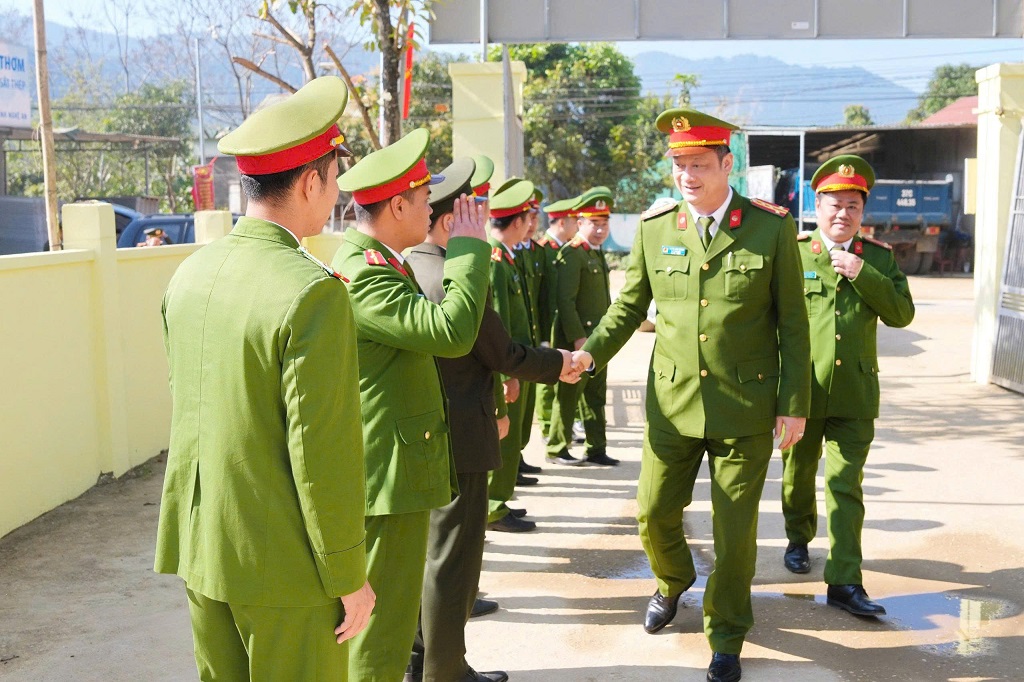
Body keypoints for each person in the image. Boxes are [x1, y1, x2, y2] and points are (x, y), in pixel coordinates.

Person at [574, 107, 811, 682]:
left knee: (734, 537)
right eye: (679, 164)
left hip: (745, 407)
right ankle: (672, 579)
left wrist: (794, 403)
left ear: (727, 165)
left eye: (699, 164)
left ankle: (727, 634)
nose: (687, 175)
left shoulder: (769, 227)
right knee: (653, 513)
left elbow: (794, 323)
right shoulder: (657, 229)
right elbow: (629, 307)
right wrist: (588, 356)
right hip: (672, 404)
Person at [154, 76, 374, 681]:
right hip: (286, 568)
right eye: (333, 179)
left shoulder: (190, 274)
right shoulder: (311, 292)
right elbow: (322, 453)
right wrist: (348, 575)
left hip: (205, 551)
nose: (336, 195)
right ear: (310, 182)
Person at [405, 157, 577, 682]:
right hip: (461, 436)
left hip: (419, 435)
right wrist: (563, 365)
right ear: (457, 216)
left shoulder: (405, 264)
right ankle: (446, 671)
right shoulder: (456, 274)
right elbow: (503, 353)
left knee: (419, 559)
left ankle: (417, 660)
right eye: (476, 207)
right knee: (452, 565)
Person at [331, 129, 492, 682]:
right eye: (424, 200)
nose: (432, 209)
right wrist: (471, 249)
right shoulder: (366, 273)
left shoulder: (383, 260)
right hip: (386, 476)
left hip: (403, 467)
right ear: (397, 204)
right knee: (380, 637)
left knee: (393, 626)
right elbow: (451, 331)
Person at [780, 154, 915, 617]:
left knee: (846, 485)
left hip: (854, 396)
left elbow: (902, 314)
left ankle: (844, 579)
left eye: (852, 206)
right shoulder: (792, 253)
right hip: (802, 393)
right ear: (816, 206)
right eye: (834, 204)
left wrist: (863, 275)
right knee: (797, 475)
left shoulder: (877, 258)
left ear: (863, 212)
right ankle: (798, 537)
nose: (842, 214)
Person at [546, 187, 619, 467]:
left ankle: (596, 447)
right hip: (577, 341)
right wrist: (578, 338)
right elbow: (565, 302)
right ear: (580, 224)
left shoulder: (596, 253)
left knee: (596, 395)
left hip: (597, 339)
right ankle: (557, 446)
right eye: (594, 223)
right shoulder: (572, 254)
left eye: (604, 223)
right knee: (568, 395)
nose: (600, 229)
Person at [485, 178, 542, 533]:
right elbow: (499, 322)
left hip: (518, 362)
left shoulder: (506, 257)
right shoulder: (495, 260)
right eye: (529, 219)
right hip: (509, 367)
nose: (533, 226)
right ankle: (492, 506)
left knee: (512, 437)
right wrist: (508, 374)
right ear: (518, 221)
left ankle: (499, 500)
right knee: (503, 440)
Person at [535, 196, 581, 441]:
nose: (578, 225)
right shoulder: (544, 249)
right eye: (575, 220)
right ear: (562, 222)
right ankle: (545, 425)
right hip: (548, 323)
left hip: (561, 322)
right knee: (547, 377)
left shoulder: (564, 250)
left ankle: (560, 425)